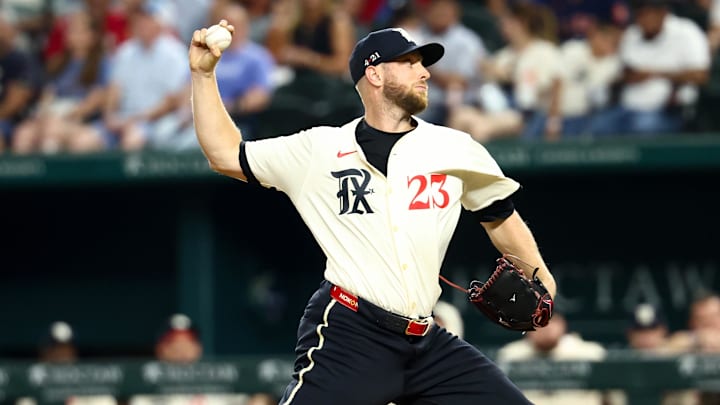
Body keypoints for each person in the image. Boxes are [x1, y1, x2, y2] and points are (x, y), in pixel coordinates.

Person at [190, 22, 557, 403]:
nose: (425, 72)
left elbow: (499, 215)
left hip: (428, 344)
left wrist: (542, 278)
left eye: (423, 64)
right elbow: (225, 154)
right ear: (375, 73)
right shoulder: (320, 149)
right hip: (352, 336)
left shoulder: (455, 147)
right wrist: (202, 75)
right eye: (410, 62)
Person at [496, 313, 608, 405]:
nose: (545, 328)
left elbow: (612, 398)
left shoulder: (591, 354)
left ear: (562, 324)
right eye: (537, 321)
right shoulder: (510, 356)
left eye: (550, 321)